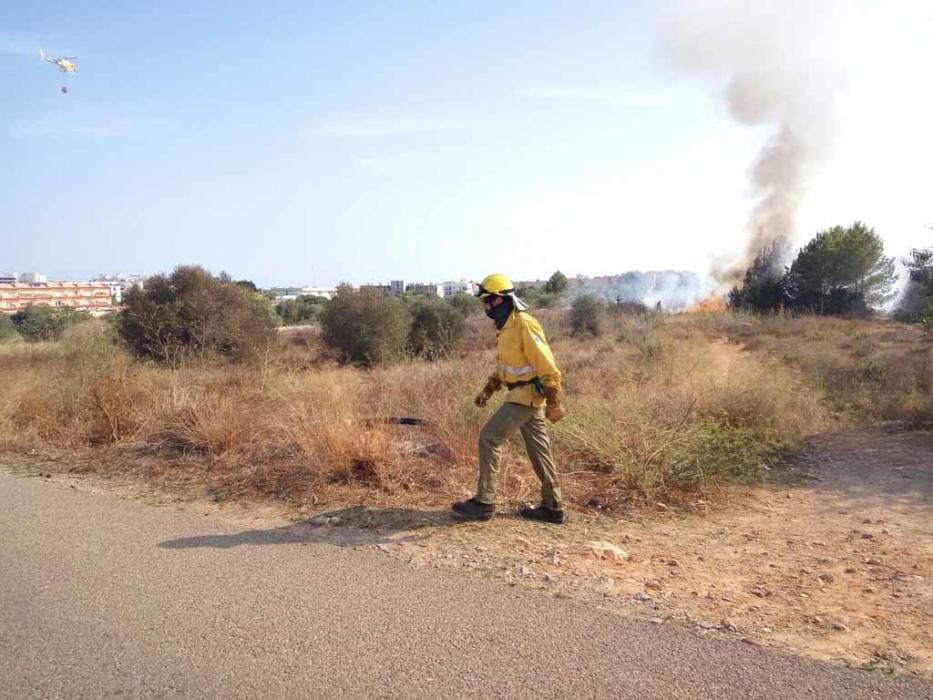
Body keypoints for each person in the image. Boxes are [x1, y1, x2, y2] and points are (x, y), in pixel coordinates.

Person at [452, 273, 566, 524]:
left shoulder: (524, 324)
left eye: (488, 301)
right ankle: (553, 506)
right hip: (522, 395)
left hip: (525, 396)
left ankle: (484, 502)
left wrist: (555, 400)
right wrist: (488, 390)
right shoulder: (507, 328)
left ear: (501, 300)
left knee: (489, 438)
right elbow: (507, 367)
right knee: (540, 451)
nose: (485, 307)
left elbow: (547, 364)